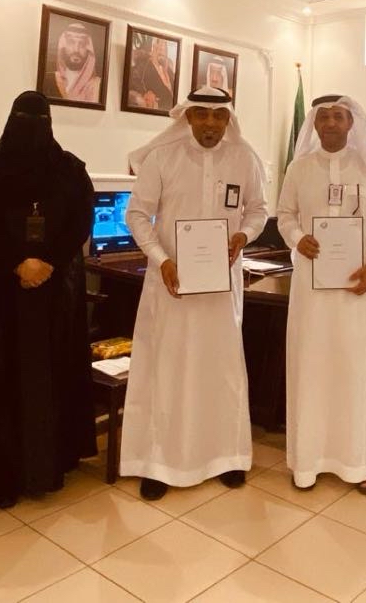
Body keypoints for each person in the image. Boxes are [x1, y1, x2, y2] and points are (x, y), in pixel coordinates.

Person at [122, 86, 267, 500]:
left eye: (218, 116)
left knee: (221, 367)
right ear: (187, 117)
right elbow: (137, 214)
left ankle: (226, 456)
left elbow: (258, 210)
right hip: (172, 283)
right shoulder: (162, 157)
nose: (210, 123)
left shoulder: (245, 159)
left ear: (228, 119)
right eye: (201, 114)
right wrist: (161, 259)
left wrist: (243, 235)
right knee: (168, 367)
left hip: (221, 287)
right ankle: (158, 463)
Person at [0, 92, 96, 509]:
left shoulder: (71, 170)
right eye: (23, 118)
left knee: (48, 374)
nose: (32, 129)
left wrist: (47, 261)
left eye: (39, 120)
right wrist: (18, 261)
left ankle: (47, 466)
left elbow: (81, 222)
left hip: (54, 291)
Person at [277, 94, 366, 494]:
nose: (330, 123)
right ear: (314, 123)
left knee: (358, 370)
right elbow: (285, 215)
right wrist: (297, 238)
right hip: (311, 287)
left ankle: (361, 462)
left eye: (338, 117)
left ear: (351, 123)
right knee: (312, 366)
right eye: (324, 117)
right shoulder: (299, 168)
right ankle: (308, 462)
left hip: (359, 286)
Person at [42, 22, 102, 104]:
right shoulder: (48, 79)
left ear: (89, 50)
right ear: (63, 46)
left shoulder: (98, 85)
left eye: (82, 44)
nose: (76, 50)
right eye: (71, 43)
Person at [128, 36, 176, 111]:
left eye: (164, 46)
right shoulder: (143, 65)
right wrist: (146, 94)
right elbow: (134, 81)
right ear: (153, 48)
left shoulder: (168, 70)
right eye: (158, 45)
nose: (162, 49)